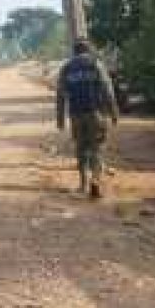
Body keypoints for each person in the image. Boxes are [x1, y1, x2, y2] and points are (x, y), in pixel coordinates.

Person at [56, 38, 120, 199]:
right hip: (96, 113)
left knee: (81, 148)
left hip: (76, 115)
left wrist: (60, 119)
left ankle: (83, 184)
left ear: (74, 52)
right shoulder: (96, 65)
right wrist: (114, 113)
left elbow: (60, 95)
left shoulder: (66, 68)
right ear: (89, 50)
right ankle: (96, 181)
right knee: (97, 148)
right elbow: (108, 91)